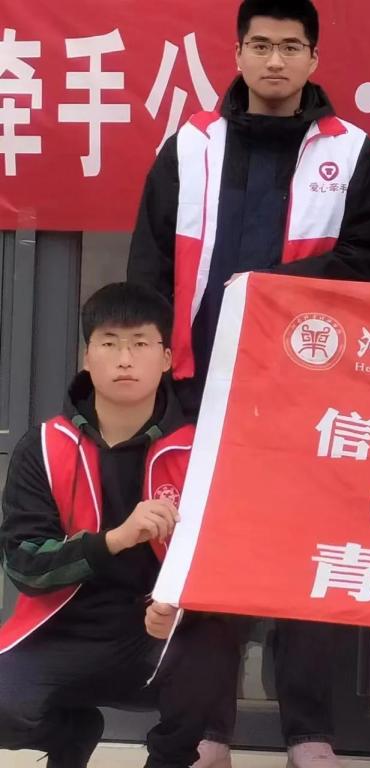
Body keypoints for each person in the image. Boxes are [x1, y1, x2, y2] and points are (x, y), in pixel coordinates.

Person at [128, 2, 370, 766]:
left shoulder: (352, 152)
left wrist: (265, 289)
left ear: (314, 58)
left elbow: (369, 261)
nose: (274, 61)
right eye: (260, 45)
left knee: (303, 557)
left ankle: (309, 733)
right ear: (239, 52)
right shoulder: (190, 145)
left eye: (290, 47)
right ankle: (211, 732)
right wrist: (154, 374)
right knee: (208, 558)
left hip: (308, 396)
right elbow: (149, 263)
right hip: (199, 390)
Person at [0, 282, 238, 768]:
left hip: (154, 635)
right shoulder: (44, 446)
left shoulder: (201, 451)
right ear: (87, 357)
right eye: (109, 343)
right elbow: (25, 564)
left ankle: (168, 760)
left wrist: (180, 607)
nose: (125, 359)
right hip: (61, 632)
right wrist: (114, 540)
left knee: (212, 648)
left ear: (167, 358)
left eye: (140, 343)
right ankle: (72, 734)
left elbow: (229, 564)